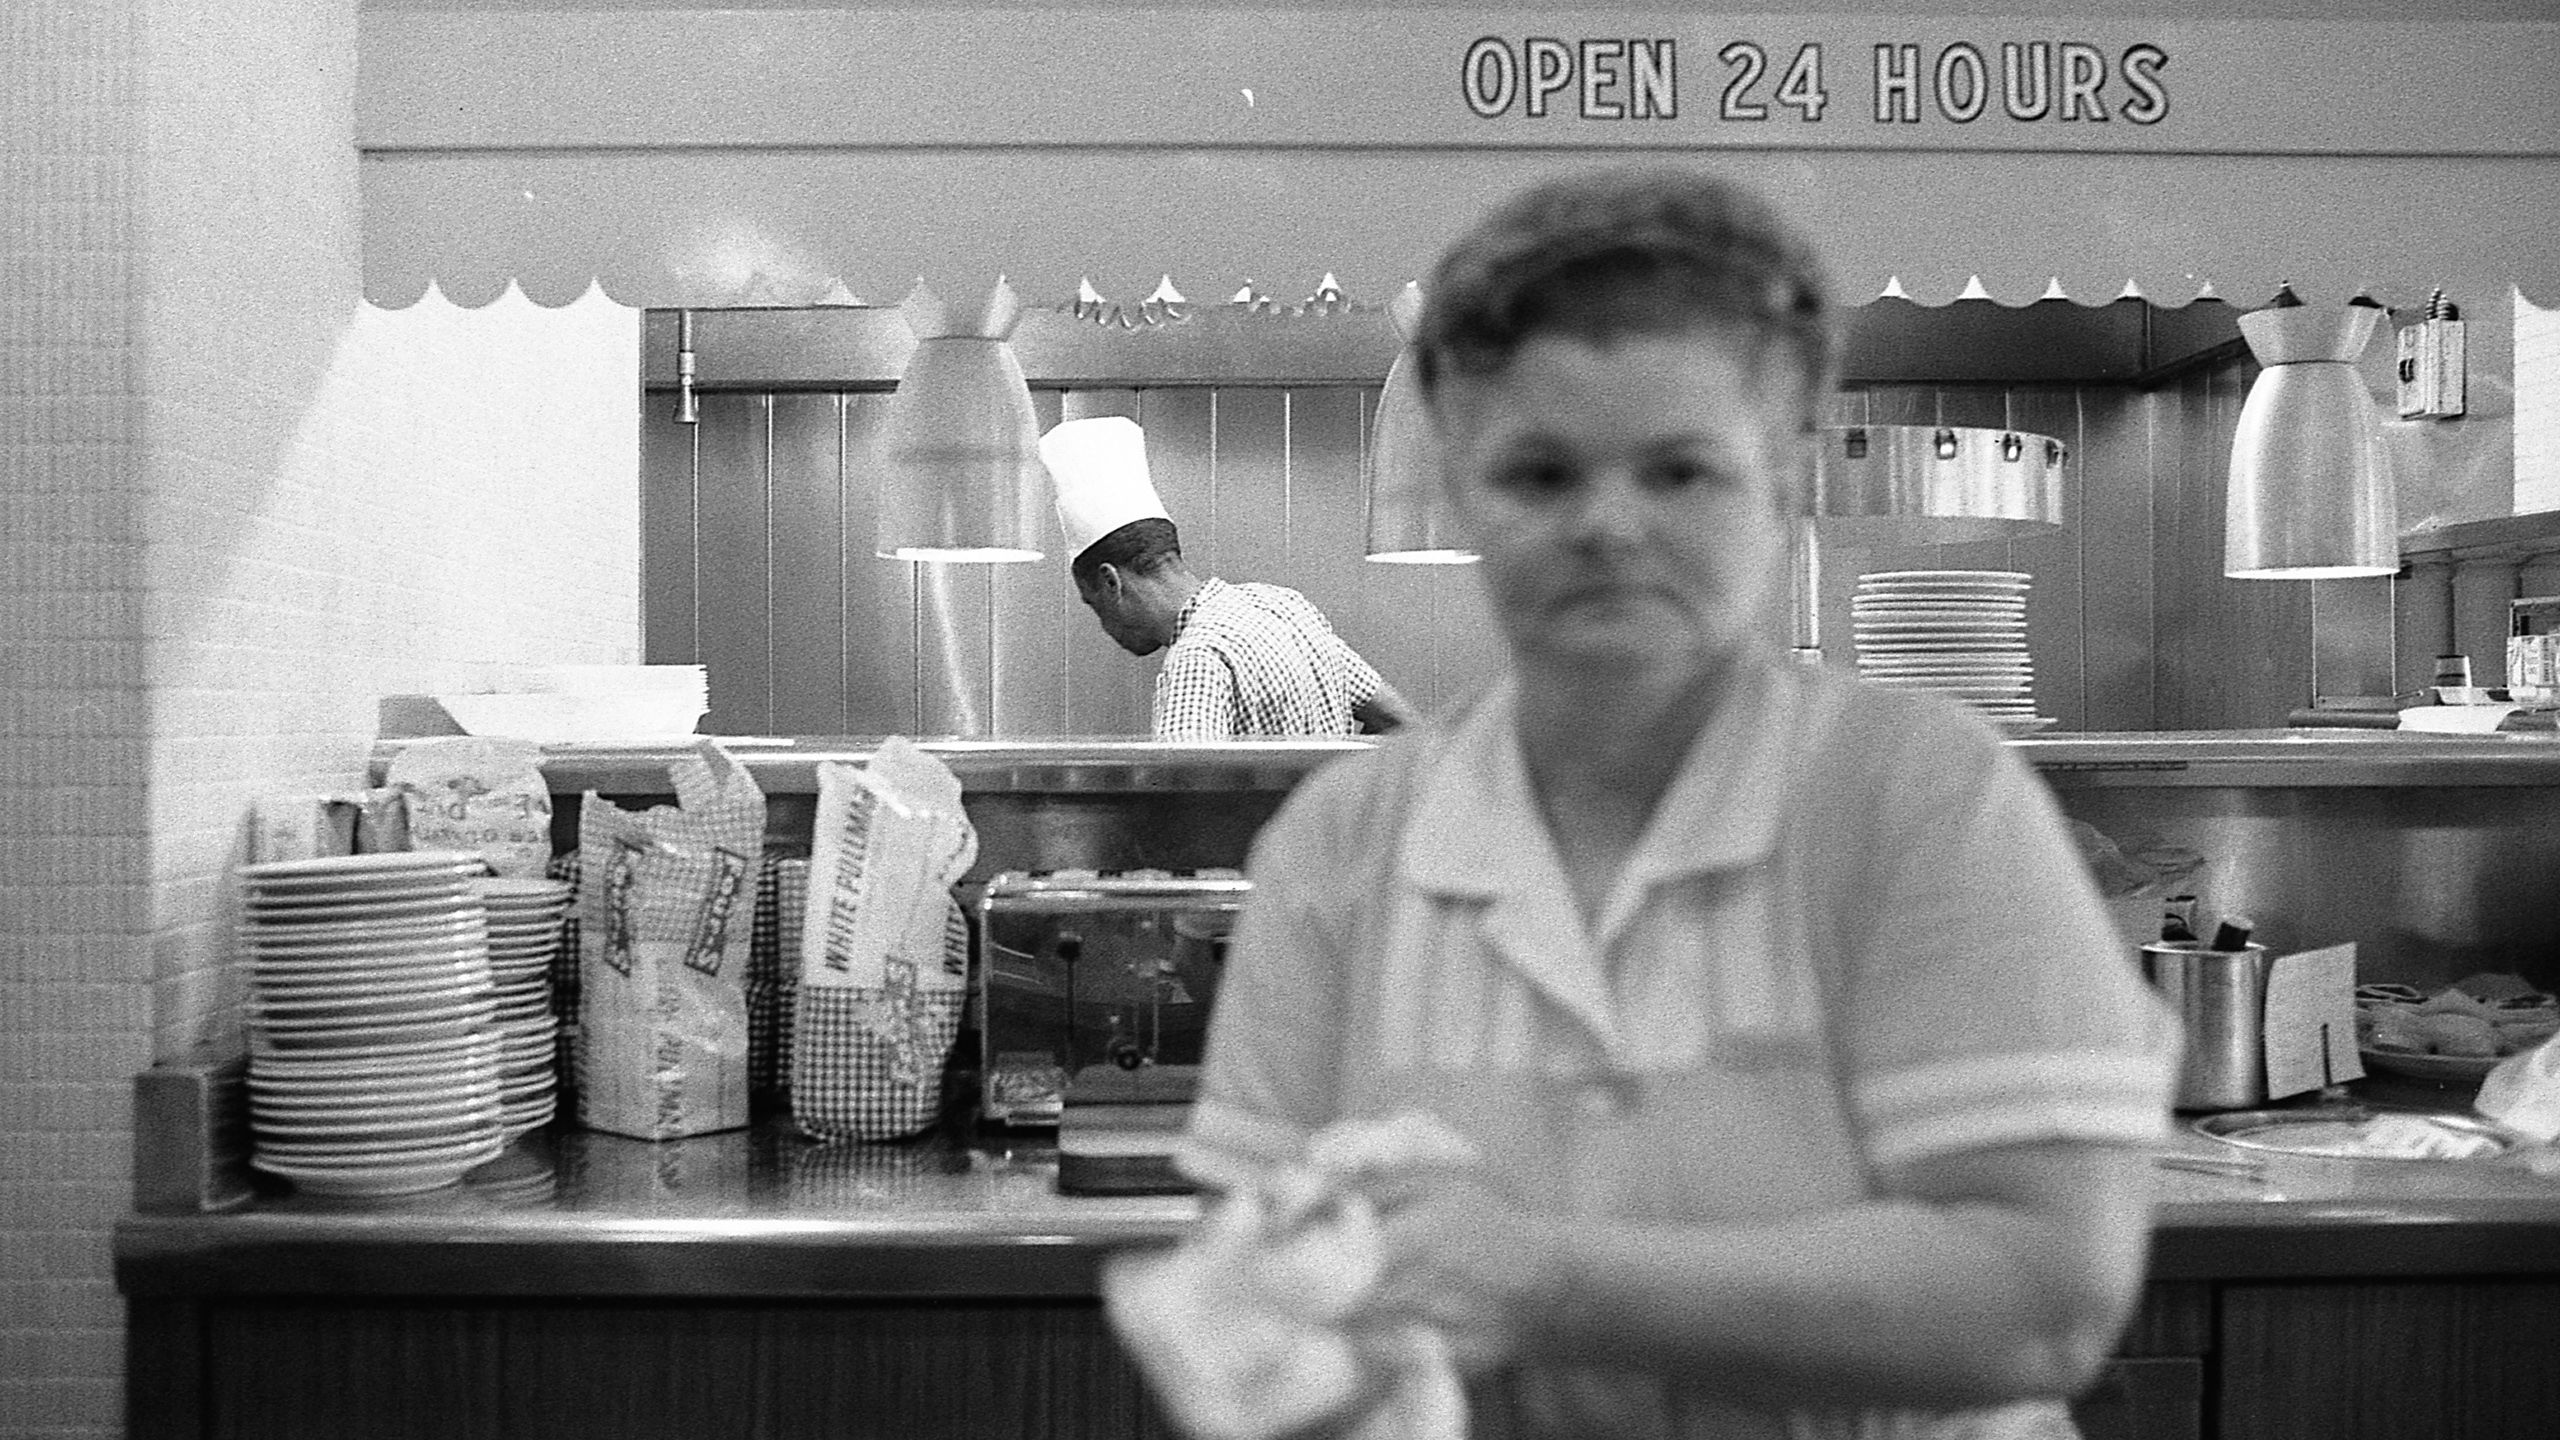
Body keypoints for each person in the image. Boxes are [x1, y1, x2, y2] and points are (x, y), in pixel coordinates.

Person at [1165, 167, 2181, 1439]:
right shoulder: (1336, 847)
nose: (1606, 526)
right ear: (1462, 486)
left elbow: (2041, 1300)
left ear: (1784, 482)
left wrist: (1541, 1276)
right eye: (1538, 474)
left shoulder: (1924, 801)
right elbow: (1250, 1294)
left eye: (1679, 472)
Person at [1040, 415, 1417, 740]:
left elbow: (1184, 804)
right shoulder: (1283, 605)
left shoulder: (1198, 657)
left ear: (1111, 582)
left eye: (1095, 606)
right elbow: (1401, 722)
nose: (1105, 626)